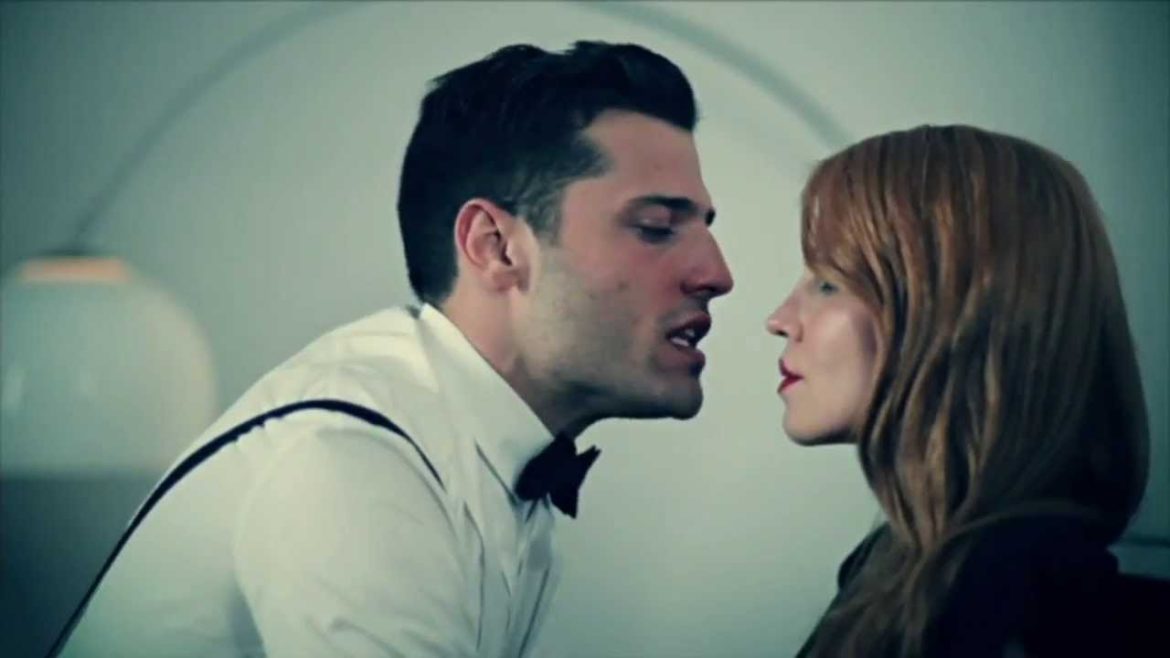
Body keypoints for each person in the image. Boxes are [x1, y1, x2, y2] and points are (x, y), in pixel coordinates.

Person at [54, 40, 733, 657]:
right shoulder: (353, 458)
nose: (717, 274)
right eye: (655, 226)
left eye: (704, 228)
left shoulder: (480, 463)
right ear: (496, 247)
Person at [766, 125, 1153, 657]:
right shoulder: (898, 567)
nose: (780, 320)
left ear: (949, 309)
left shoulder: (1021, 608)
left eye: (828, 283)